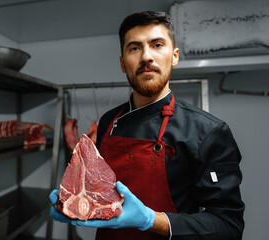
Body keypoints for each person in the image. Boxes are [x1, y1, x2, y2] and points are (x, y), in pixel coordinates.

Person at [50, 10, 245, 240]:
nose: (146, 57)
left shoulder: (208, 132)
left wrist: (150, 220)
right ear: (123, 64)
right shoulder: (108, 121)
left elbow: (228, 226)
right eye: (134, 48)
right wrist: (79, 200)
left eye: (157, 44)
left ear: (174, 56)